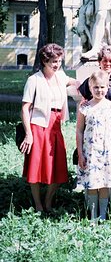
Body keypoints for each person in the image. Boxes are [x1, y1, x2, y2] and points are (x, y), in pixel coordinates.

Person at [20, 43, 79, 212]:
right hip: (38, 126)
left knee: (58, 166)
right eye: (53, 61)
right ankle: (38, 205)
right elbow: (25, 109)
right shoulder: (34, 80)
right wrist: (28, 134)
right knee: (36, 167)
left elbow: (79, 83)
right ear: (44, 61)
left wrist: (98, 79)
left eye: (59, 60)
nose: (57, 64)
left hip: (56, 124)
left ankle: (48, 202)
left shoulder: (61, 76)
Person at [77, 45, 111, 209]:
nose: (107, 63)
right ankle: (91, 210)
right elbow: (83, 101)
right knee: (93, 177)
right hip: (92, 135)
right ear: (99, 61)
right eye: (104, 60)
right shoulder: (91, 80)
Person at [76, 70, 111, 221]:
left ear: (107, 87)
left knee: (104, 183)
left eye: (102, 87)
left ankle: (102, 215)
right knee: (92, 183)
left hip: (107, 152)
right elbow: (79, 131)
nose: (99, 90)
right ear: (90, 87)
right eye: (96, 87)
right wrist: (81, 154)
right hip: (90, 152)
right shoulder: (85, 108)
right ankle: (93, 215)